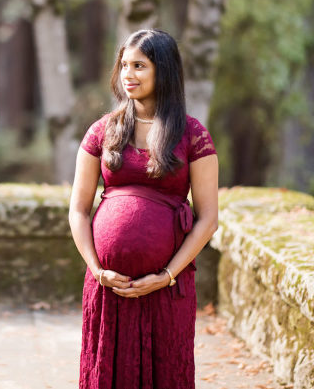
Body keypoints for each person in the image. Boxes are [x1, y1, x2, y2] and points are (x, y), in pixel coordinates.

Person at [68, 29, 219, 388]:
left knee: (164, 370)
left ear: (163, 71)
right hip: (108, 286)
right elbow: (78, 210)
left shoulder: (191, 135)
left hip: (166, 287)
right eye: (124, 65)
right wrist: (97, 268)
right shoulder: (103, 131)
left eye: (139, 66)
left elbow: (209, 219)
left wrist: (166, 275)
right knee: (107, 370)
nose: (128, 75)